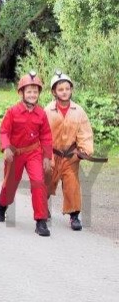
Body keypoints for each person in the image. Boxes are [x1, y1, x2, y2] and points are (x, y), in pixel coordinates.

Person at [0, 72, 53, 237]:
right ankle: (2, 205)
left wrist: (47, 156)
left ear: (39, 93)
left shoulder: (41, 113)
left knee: (38, 182)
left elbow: (46, 136)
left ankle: (41, 221)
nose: (32, 95)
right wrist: (6, 147)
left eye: (35, 92)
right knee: (10, 183)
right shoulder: (12, 112)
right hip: (14, 153)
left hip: (33, 152)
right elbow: (4, 131)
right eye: (29, 92)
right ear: (21, 93)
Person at [45, 70, 94, 231]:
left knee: (72, 185)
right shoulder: (48, 110)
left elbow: (85, 133)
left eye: (67, 88)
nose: (64, 92)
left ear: (71, 89)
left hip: (71, 156)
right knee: (45, 182)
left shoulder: (78, 111)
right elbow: (42, 133)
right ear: (54, 92)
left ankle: (74, 216)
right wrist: (45, 153)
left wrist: (84, 150)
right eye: (60, 89)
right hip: (51, 154)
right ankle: (42, 207)